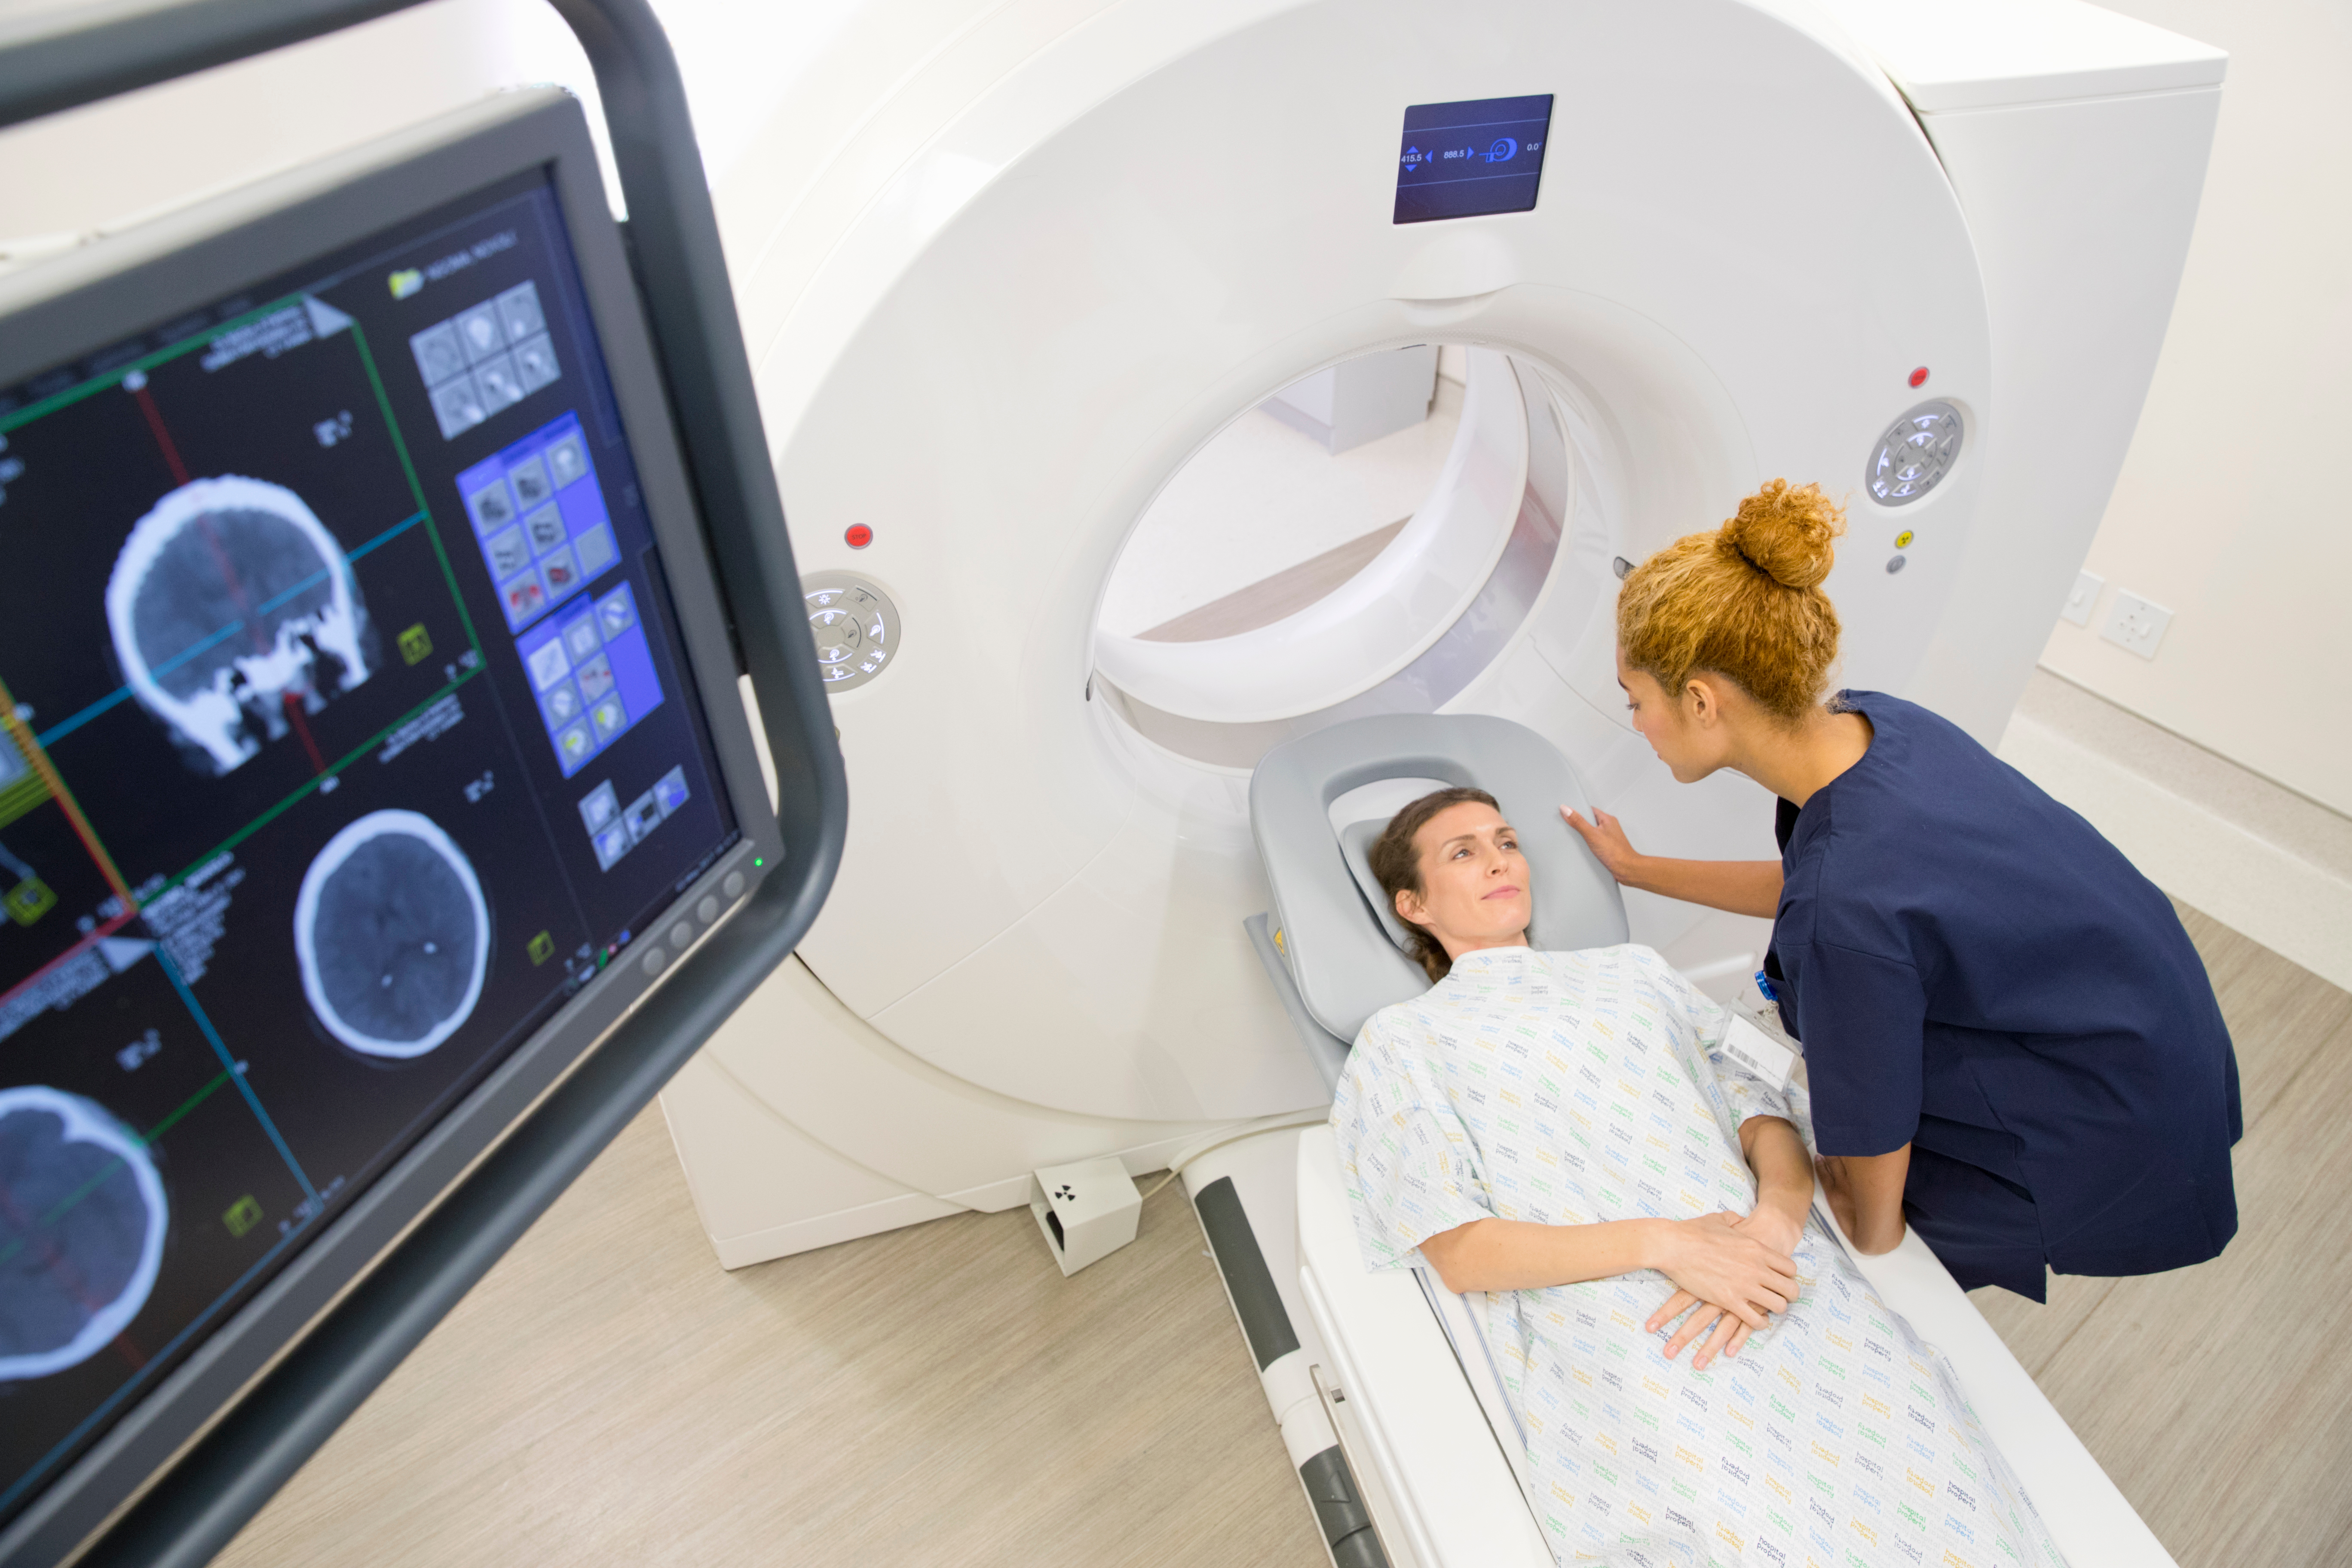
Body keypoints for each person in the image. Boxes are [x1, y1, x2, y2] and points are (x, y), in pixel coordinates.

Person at [1334, 786, 2062, 1567]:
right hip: (1620, 1314)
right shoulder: (1404, 1040)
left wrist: (1778, 1219)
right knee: (1743, 1523)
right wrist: (1666, 1245)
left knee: (1928, 1455)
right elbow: (1461, 1251)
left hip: (1770, 1268)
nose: (1499, 861)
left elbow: (1761, 1109)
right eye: (1464, 852)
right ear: (1413, 905)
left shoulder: (1633, 973)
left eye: (1506, 841)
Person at [1562, 478, 2239, 1301]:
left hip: (2104, 1117)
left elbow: (1874, 1160)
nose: (1636, 723)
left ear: (1702, 702)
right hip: (2155, 1020)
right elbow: (1830, 888)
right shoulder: (1874, 727)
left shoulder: (1847, 905)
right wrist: (1640, 870)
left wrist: (1856, 1222)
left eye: (1639, 703)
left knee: (1860, 1246)